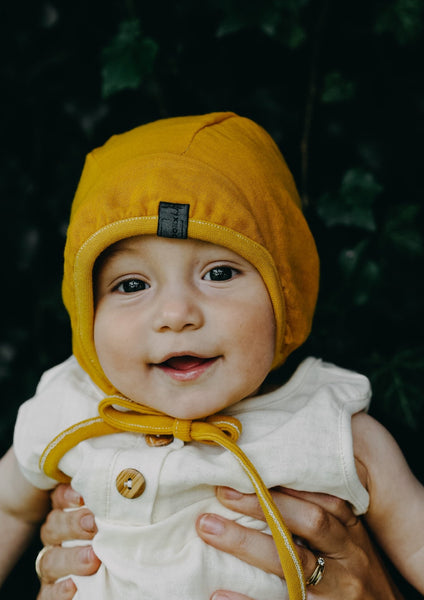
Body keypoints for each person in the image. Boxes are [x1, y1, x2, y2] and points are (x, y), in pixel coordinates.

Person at [0, 112, 423, 599]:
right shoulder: (70, 406)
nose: (176, 314)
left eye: (218, 274)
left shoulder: (331, 427)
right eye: (132, 285)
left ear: (284, 292)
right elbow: (10, 509)